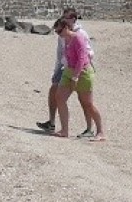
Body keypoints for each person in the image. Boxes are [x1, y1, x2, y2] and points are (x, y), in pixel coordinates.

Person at [37, 8, 94, 137]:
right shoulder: (62, 32)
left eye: (66, 17)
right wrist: (57, 69)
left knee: (84, 100)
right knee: (55, 93)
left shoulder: (80, 34)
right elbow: (60, 52)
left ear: (73, 19)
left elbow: (88, 53)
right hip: (65, 67)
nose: (64, 19)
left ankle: (90, 128)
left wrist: (78, 71)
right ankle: (53, 123)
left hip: (79, 69)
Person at [53, 17, 105, 141]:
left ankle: (101, 131)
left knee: (88, 104)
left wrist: (75, 77)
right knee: (59, 97)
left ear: (66, 28)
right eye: (56, 32)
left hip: (83, 73)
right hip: (69, 71)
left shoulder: (78, 38)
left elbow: (82, 58)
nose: (58, 34)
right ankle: (64, 130)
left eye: (59, 31)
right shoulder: (66, 39)